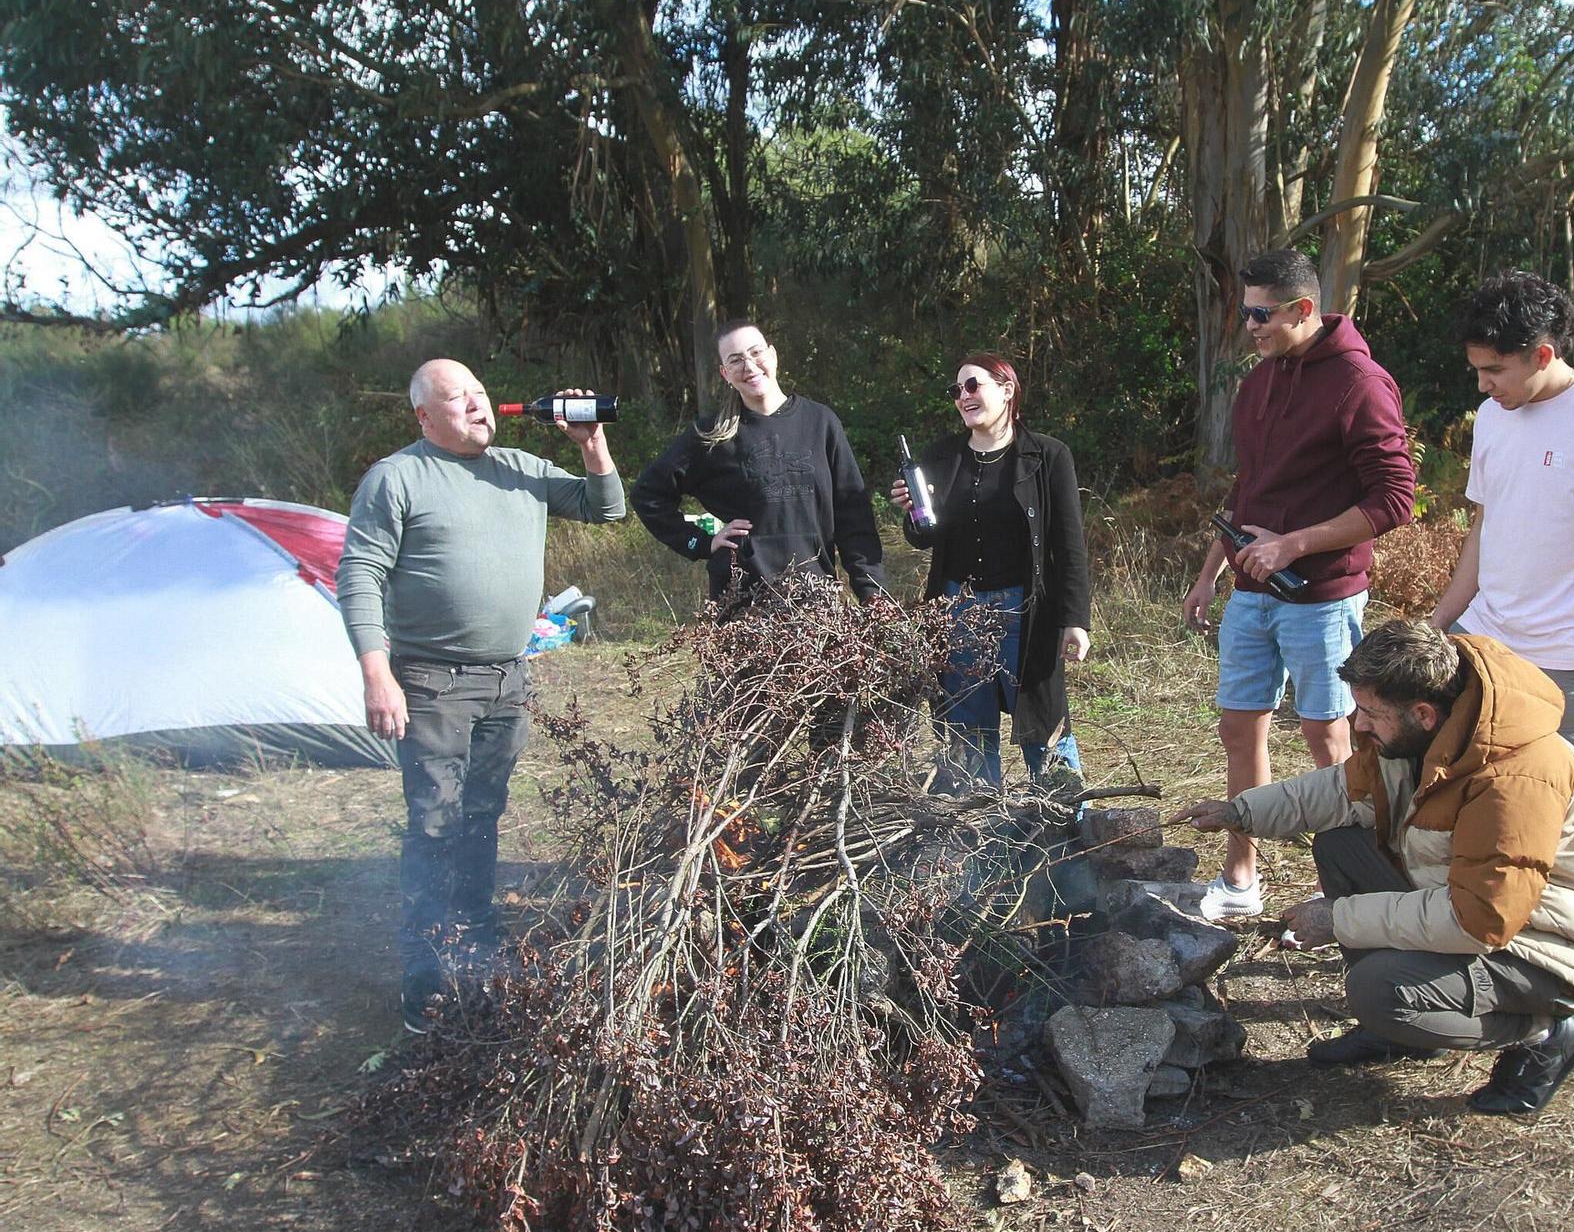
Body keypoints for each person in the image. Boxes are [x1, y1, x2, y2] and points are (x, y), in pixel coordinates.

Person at [1174, 620, 1574, 1115]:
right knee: (1340, 845)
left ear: (1423, 714)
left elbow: (1480, 918)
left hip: (1551, 945)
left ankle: (1545, 1032)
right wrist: (1241, 812)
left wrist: (1338, 918)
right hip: (1475, 906)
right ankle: (1404, 1033)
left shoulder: (1515, 779)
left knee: (1379, 989)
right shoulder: (1422, 734)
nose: (1358, 725)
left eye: (1371, 713)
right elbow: (1342, 790)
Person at [337, 359, 626, 1033]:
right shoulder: (398, 477)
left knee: (482, 814)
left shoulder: (520, 468)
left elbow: (606, 507)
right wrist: (376, 673)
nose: (475, 404)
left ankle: (474, 940)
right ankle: (427, 972)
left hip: (507, 678)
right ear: (424, 415)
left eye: (480, 393)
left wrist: (591, 444)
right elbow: (359, 575)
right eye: (456, 397)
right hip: (431, 682)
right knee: (436, 823)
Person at [1181, 248, 1415, 920]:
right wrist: (1209, 574)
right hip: (1251, 596)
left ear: (1303, 309)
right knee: (1238, 727)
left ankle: (1341, 886)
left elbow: (1395, 497)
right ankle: (1241, 877)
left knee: (1329, 739)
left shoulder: (1359, 383)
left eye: (1261, 314)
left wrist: (1295, 544)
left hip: (1323, 599)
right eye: (1244, 312)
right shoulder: (1259, 383)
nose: (1248, 326)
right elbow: (1247, 492)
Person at [1430, 271, 1574, 804]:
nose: (1483, 385)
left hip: (1569, 658)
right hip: (1482, 644)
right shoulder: (1491, 417)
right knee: (1476, 793)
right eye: (1477, 370)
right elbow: (1486, 528)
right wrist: (1438, 624)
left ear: (1542, 355)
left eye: (1494, 370)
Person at [890, 353, 1091, 786]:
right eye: (956, 390)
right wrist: (913, 512)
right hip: (958, 612)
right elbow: (925, 537)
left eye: (972, 385)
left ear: (1006, 389)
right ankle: (981, 823)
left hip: (1026, 612)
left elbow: (1069, 545)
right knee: (969, 735)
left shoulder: (1048, 455)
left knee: (1045, 728)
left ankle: (1066, 819)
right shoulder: (942, 456)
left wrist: (1075, 620)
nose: (963, 396)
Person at [632, 319, 886, 603]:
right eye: (736, 360)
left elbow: (854, 515)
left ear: (773, 355)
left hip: (815, 600)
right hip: (742, 606)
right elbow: (647, 494)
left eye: (756, 353)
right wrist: (701, 543)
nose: (749, 366)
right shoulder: (711, 435)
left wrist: (873, 595)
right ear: (725, 373)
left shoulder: (820, 422)